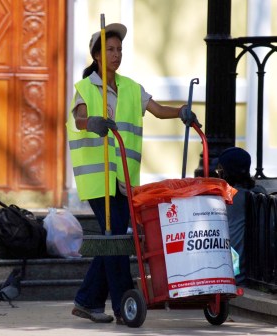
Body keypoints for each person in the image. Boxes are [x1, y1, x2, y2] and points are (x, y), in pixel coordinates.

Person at [66, 23, 201, 324]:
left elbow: (156, 109)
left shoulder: (130, 87)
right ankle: (124, 305)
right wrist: (93, 123)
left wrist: (180, 112)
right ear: (97, 56)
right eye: (110, 50)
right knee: (114, 238)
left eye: (119, 50)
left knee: (111, 239)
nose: (116, 55)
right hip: (97, 179)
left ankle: (86, 300)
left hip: (124, 179)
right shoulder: (85, 88)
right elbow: (79, 119)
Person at [217, 147, 267, 287]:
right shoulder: (258, 193)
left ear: (227, 171)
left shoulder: (232, 198)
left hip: (236, 275)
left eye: (220, 170)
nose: (218, 174)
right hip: (260, 271)